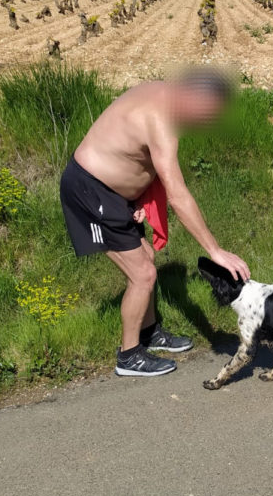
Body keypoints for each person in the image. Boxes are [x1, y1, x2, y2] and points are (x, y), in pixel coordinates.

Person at [59, 69, 250, 377]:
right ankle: (129, 356)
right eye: (206, 113)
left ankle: (149, 332)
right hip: (90, 190)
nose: (205, 123)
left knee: (147, 259)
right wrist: (214, 251)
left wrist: (136, 197)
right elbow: (178, 196)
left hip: (112, 194)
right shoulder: (160, 119)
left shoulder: (164, 94)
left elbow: (131, 150)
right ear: (193, 95)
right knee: (143, 274)